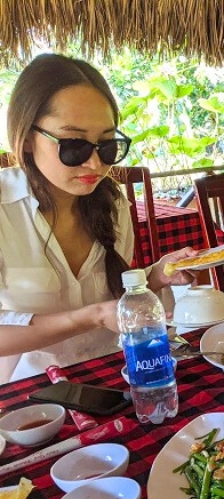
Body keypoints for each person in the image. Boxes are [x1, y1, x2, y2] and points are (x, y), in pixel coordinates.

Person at [0, 54, 196, 383]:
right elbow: (99, 312)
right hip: (29, 392)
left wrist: (156, 275)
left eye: (106, 145)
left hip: (110, 377)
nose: (94, 164)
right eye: (74, 145)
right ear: (28, 138)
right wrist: (91, 317)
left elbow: (111, 298)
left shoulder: (113, 202)